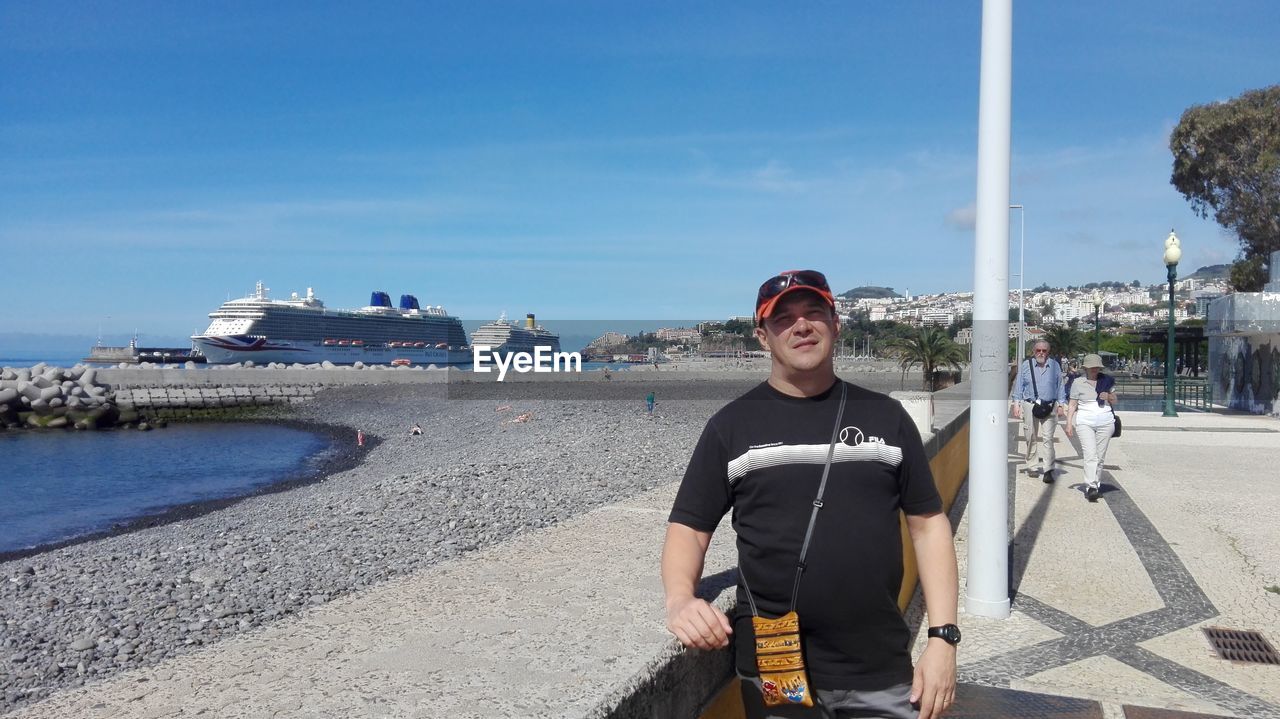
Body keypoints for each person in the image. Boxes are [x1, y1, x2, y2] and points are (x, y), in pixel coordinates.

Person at [661, 269, 958, 719]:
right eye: (783, 319)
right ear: (763, 337)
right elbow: (689, 527)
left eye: (813, 312)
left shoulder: (887, 418)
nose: (801, 325)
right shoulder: (730, 427)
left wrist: (942, 639)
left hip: (877, 667)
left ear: (835, 324)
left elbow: (929, 526)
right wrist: (681, 597)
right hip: (774, 671)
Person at [1010, 339, 1067, 482]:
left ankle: (1048, 469)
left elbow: (1060, 386)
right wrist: (1016, 404)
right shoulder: (1026, 365)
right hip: (1030, 405)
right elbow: (1019, 386)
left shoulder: (1055, 366)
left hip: (1050, 406)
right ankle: (1032, 465)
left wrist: (1061, 404)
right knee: (1031, 436)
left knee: (1048, 438)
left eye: (1044, 350)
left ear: (1048, 352)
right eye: (1038, 350)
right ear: (1033, 351)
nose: (1041, 353)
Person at [1064, 353, 1118, 502]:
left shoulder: (1107, 380)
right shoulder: (1078, 382)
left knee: (1100, 457)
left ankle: (1095, 484)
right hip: (1085, 422)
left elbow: (1115, 400)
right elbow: (1073, 404)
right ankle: (1091, 487)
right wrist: (1069, 423)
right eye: (1091, 367)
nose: (1094, 369)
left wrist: (1108, 396)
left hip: (1106, 422)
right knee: (1090, 455)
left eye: (1097, 367)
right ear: (1086, 368)